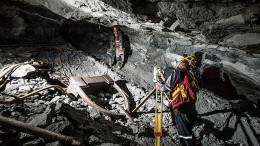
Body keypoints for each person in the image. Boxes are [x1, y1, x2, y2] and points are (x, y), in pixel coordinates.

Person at [156, 55, 199, 146]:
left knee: (185, 136)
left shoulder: (179, 71)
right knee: (187, 129)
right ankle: (175, 124)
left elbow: (169, 85)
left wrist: (160, 87)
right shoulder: (192, 75)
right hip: (192, 108)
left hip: (181, 108)